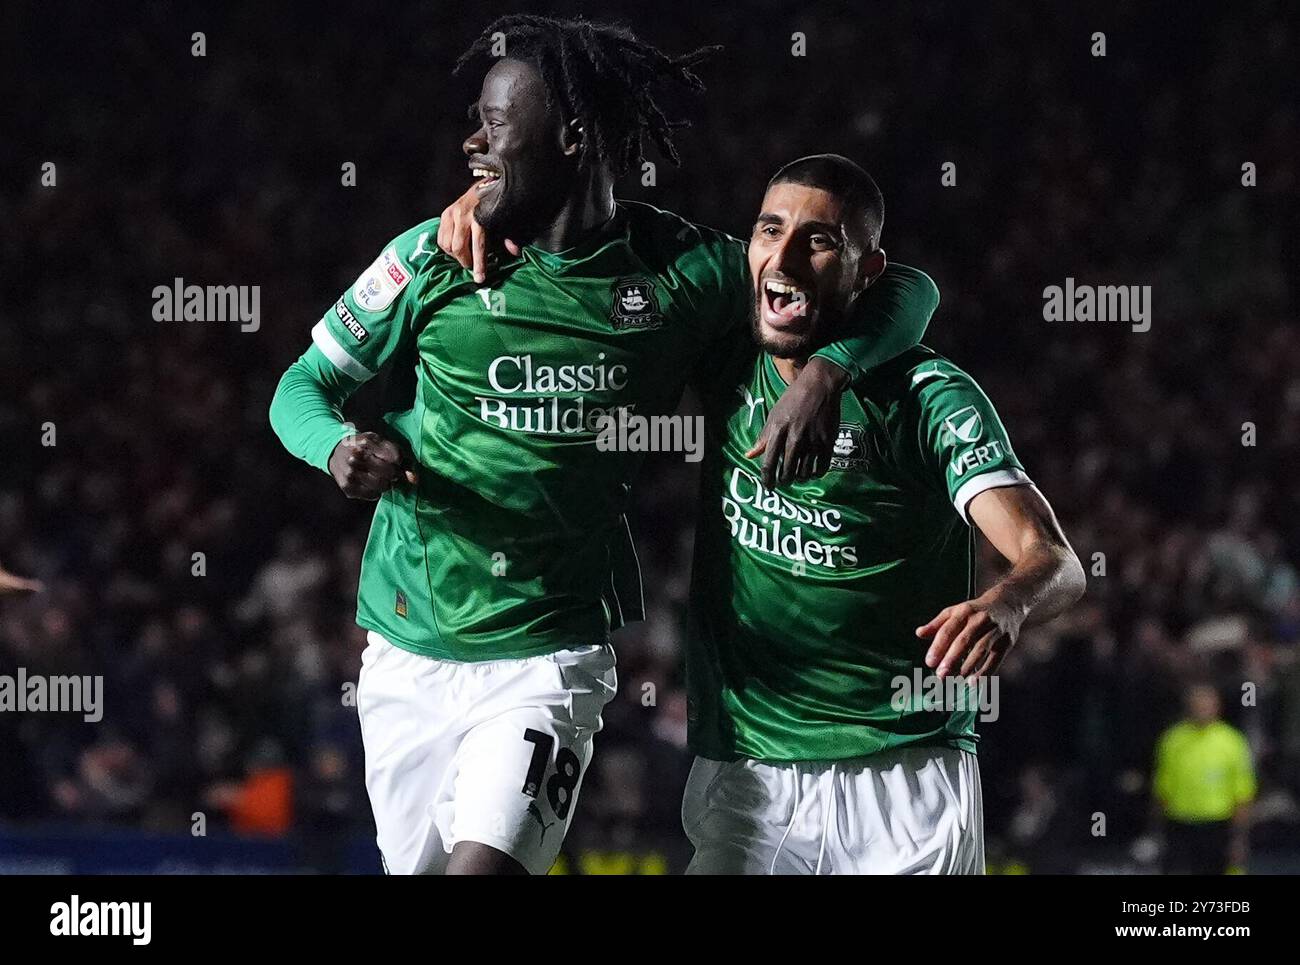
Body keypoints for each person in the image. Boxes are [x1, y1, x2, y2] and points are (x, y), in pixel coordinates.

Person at [270, 16, 932, 875]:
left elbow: (906, 286)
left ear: (574, 138)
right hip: (405, 653)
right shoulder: (430, 261)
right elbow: (299, 387)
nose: (472, 140)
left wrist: (826, 372)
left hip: (547, 659)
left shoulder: (680, 272)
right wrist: (334, 447)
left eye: (496, 123)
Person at [681, 155, 1087, 874]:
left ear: (867, 270)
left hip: (908, 772)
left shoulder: (929, 394)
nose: (784, 255)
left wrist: (1007, 603)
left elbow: (1055, 561)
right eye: (769, 229)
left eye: (821, 240)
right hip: (752, 768)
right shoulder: (725, 351)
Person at [1153, 682, 1256, 874]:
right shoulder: (1172, 739)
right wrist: (1158, 832)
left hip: (1217, 826)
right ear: (1188, 706)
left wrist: (1239, 838)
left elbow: (1243, 793)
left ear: (1217, 706)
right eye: (1197, 704)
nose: (1202, 708)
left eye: (1207, 704)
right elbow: (1162, 788)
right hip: (1179, 825)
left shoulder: (1232, 742)